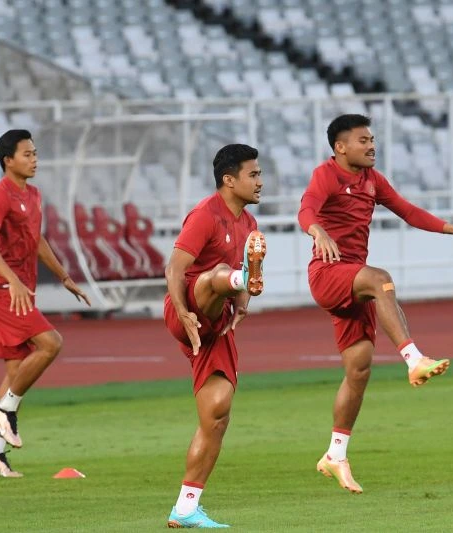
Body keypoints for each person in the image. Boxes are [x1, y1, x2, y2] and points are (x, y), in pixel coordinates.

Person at [298, 114, 453, 494]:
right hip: (329, 274)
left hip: (354, 281)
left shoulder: (372, 181)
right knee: (381, 279)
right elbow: (307, 209)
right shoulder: (326, 175)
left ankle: (335, 455)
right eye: (363, 140)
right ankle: (414, 359)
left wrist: (451, 229)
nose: (372, 145)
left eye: (372, 139)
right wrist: (317, 231)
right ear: (341, 147)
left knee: (359, 370)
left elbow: (407, 210)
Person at [0, 129, 90, 478]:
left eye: (35, 153)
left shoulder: (34, 195)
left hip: (20, 289)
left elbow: (36, 240)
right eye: (27, 154)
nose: (34, 159)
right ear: (8, 160)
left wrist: (65, 276)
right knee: (51, 342)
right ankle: (5, 408)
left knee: (15, 371)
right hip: (2, 289)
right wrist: (11, 280)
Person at [163, 143, 266, 528]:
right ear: (229, 179)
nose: (260, 181)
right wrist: (183, 311)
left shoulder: (249, 226)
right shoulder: (205, 215)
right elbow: (175, 269)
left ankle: (186, 507)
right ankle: (239, 277)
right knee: (216, 273)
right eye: (253, 174)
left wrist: (241, 302)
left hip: (217, 321)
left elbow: (238, 285)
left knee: (217, 414)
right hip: (189, 306)